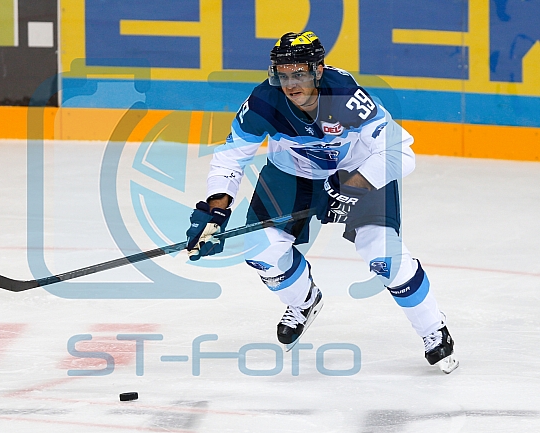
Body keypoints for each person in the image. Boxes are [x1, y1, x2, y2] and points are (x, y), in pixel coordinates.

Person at [185, 31, 458, 373]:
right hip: (291, 175)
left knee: (383, 256)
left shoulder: (345, 95)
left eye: (299, 73)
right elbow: (230, 158)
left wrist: (349, 188)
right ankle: (304, 301)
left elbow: (400, 152)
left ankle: (433, 328)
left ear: (318, 69)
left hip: (358, 172)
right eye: (282, 75)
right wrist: (216, 210)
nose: (290, 84)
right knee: (260, 252)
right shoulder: (263, 103)